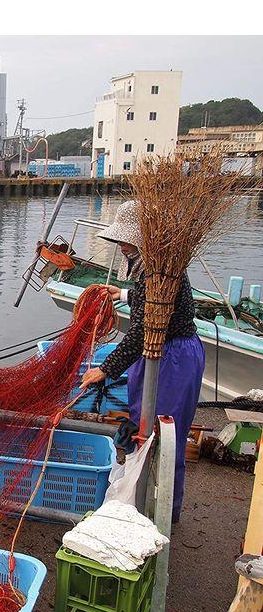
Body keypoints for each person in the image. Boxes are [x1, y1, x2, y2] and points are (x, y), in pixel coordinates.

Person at [80, 200, 205, 522]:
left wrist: (105, 370)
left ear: (140, 240)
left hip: (172, 357)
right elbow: (151, 304)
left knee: (163, 441)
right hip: (159, 355)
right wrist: (122, 295)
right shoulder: (155, 269)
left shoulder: (160, 269)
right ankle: (143, 502)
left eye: (124, 241)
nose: (121, 247)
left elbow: (140, 333)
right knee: (143, 430)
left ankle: (160, 516)